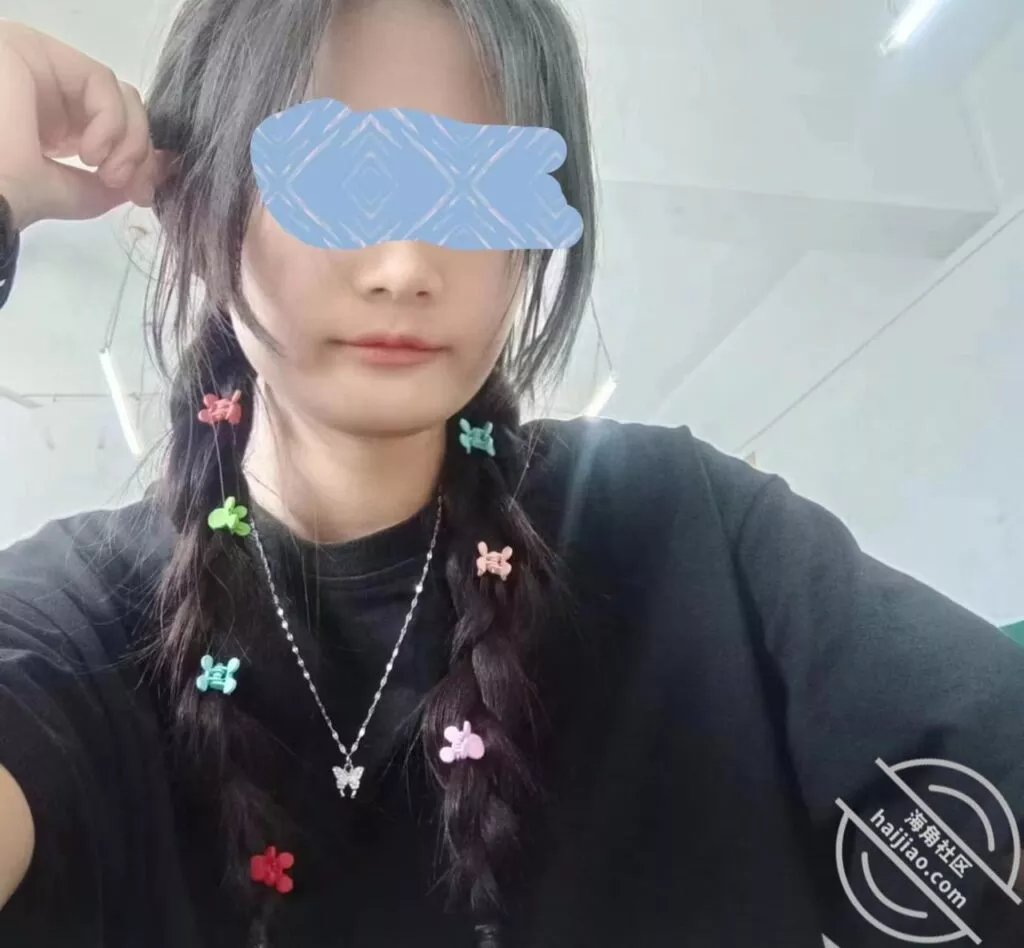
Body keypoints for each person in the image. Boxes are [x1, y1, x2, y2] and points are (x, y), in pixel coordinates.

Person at [0, 2, 1022, 946]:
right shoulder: (76, 623)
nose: (408, 264)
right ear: (190, 202)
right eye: (333, 177)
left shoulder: (682, 531)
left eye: (482, 184)